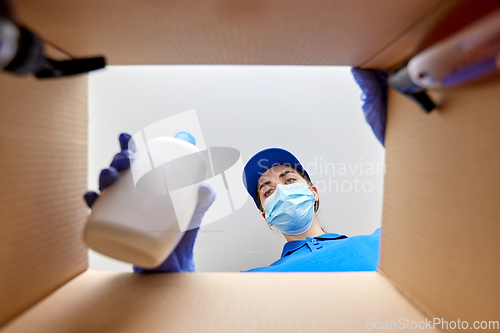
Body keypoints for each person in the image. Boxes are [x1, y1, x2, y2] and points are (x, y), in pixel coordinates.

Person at [84, 135, 380, 273]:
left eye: (289, 180)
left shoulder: (384, 243)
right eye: (267, 190)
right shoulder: (252, 283)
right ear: (267, 215)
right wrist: (165, 282)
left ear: (313, 192)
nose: (280, 191)